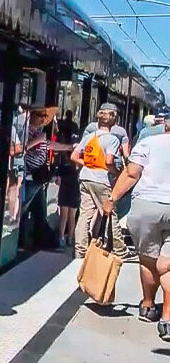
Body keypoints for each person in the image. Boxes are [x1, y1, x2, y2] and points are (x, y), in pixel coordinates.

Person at [104, 118, 170, 339]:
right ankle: (168, 320)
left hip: (146, 207)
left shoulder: (148, 143)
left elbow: (132, 173)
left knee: (148, 260)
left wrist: (112, 198)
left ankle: (148, 305)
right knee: (168, 266)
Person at [71, 109, 129, 260]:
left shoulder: (90, 136)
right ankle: (120, 249)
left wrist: (89, 164)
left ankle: (80, 249)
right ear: (114, 122)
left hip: (85, 177)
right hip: (101, 180)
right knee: (110, 212)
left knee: (85, 214)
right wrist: (117, 173)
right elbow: (109, 161)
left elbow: (74, 156)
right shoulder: (112, 139)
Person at [56, 151, 79, 248]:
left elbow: (58, 182)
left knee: (64, 216)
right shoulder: (78, 164)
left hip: (65, 190)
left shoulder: (62, 165)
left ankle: (61, 237)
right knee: (71, 216)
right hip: (74, 189)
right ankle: (70, 237)